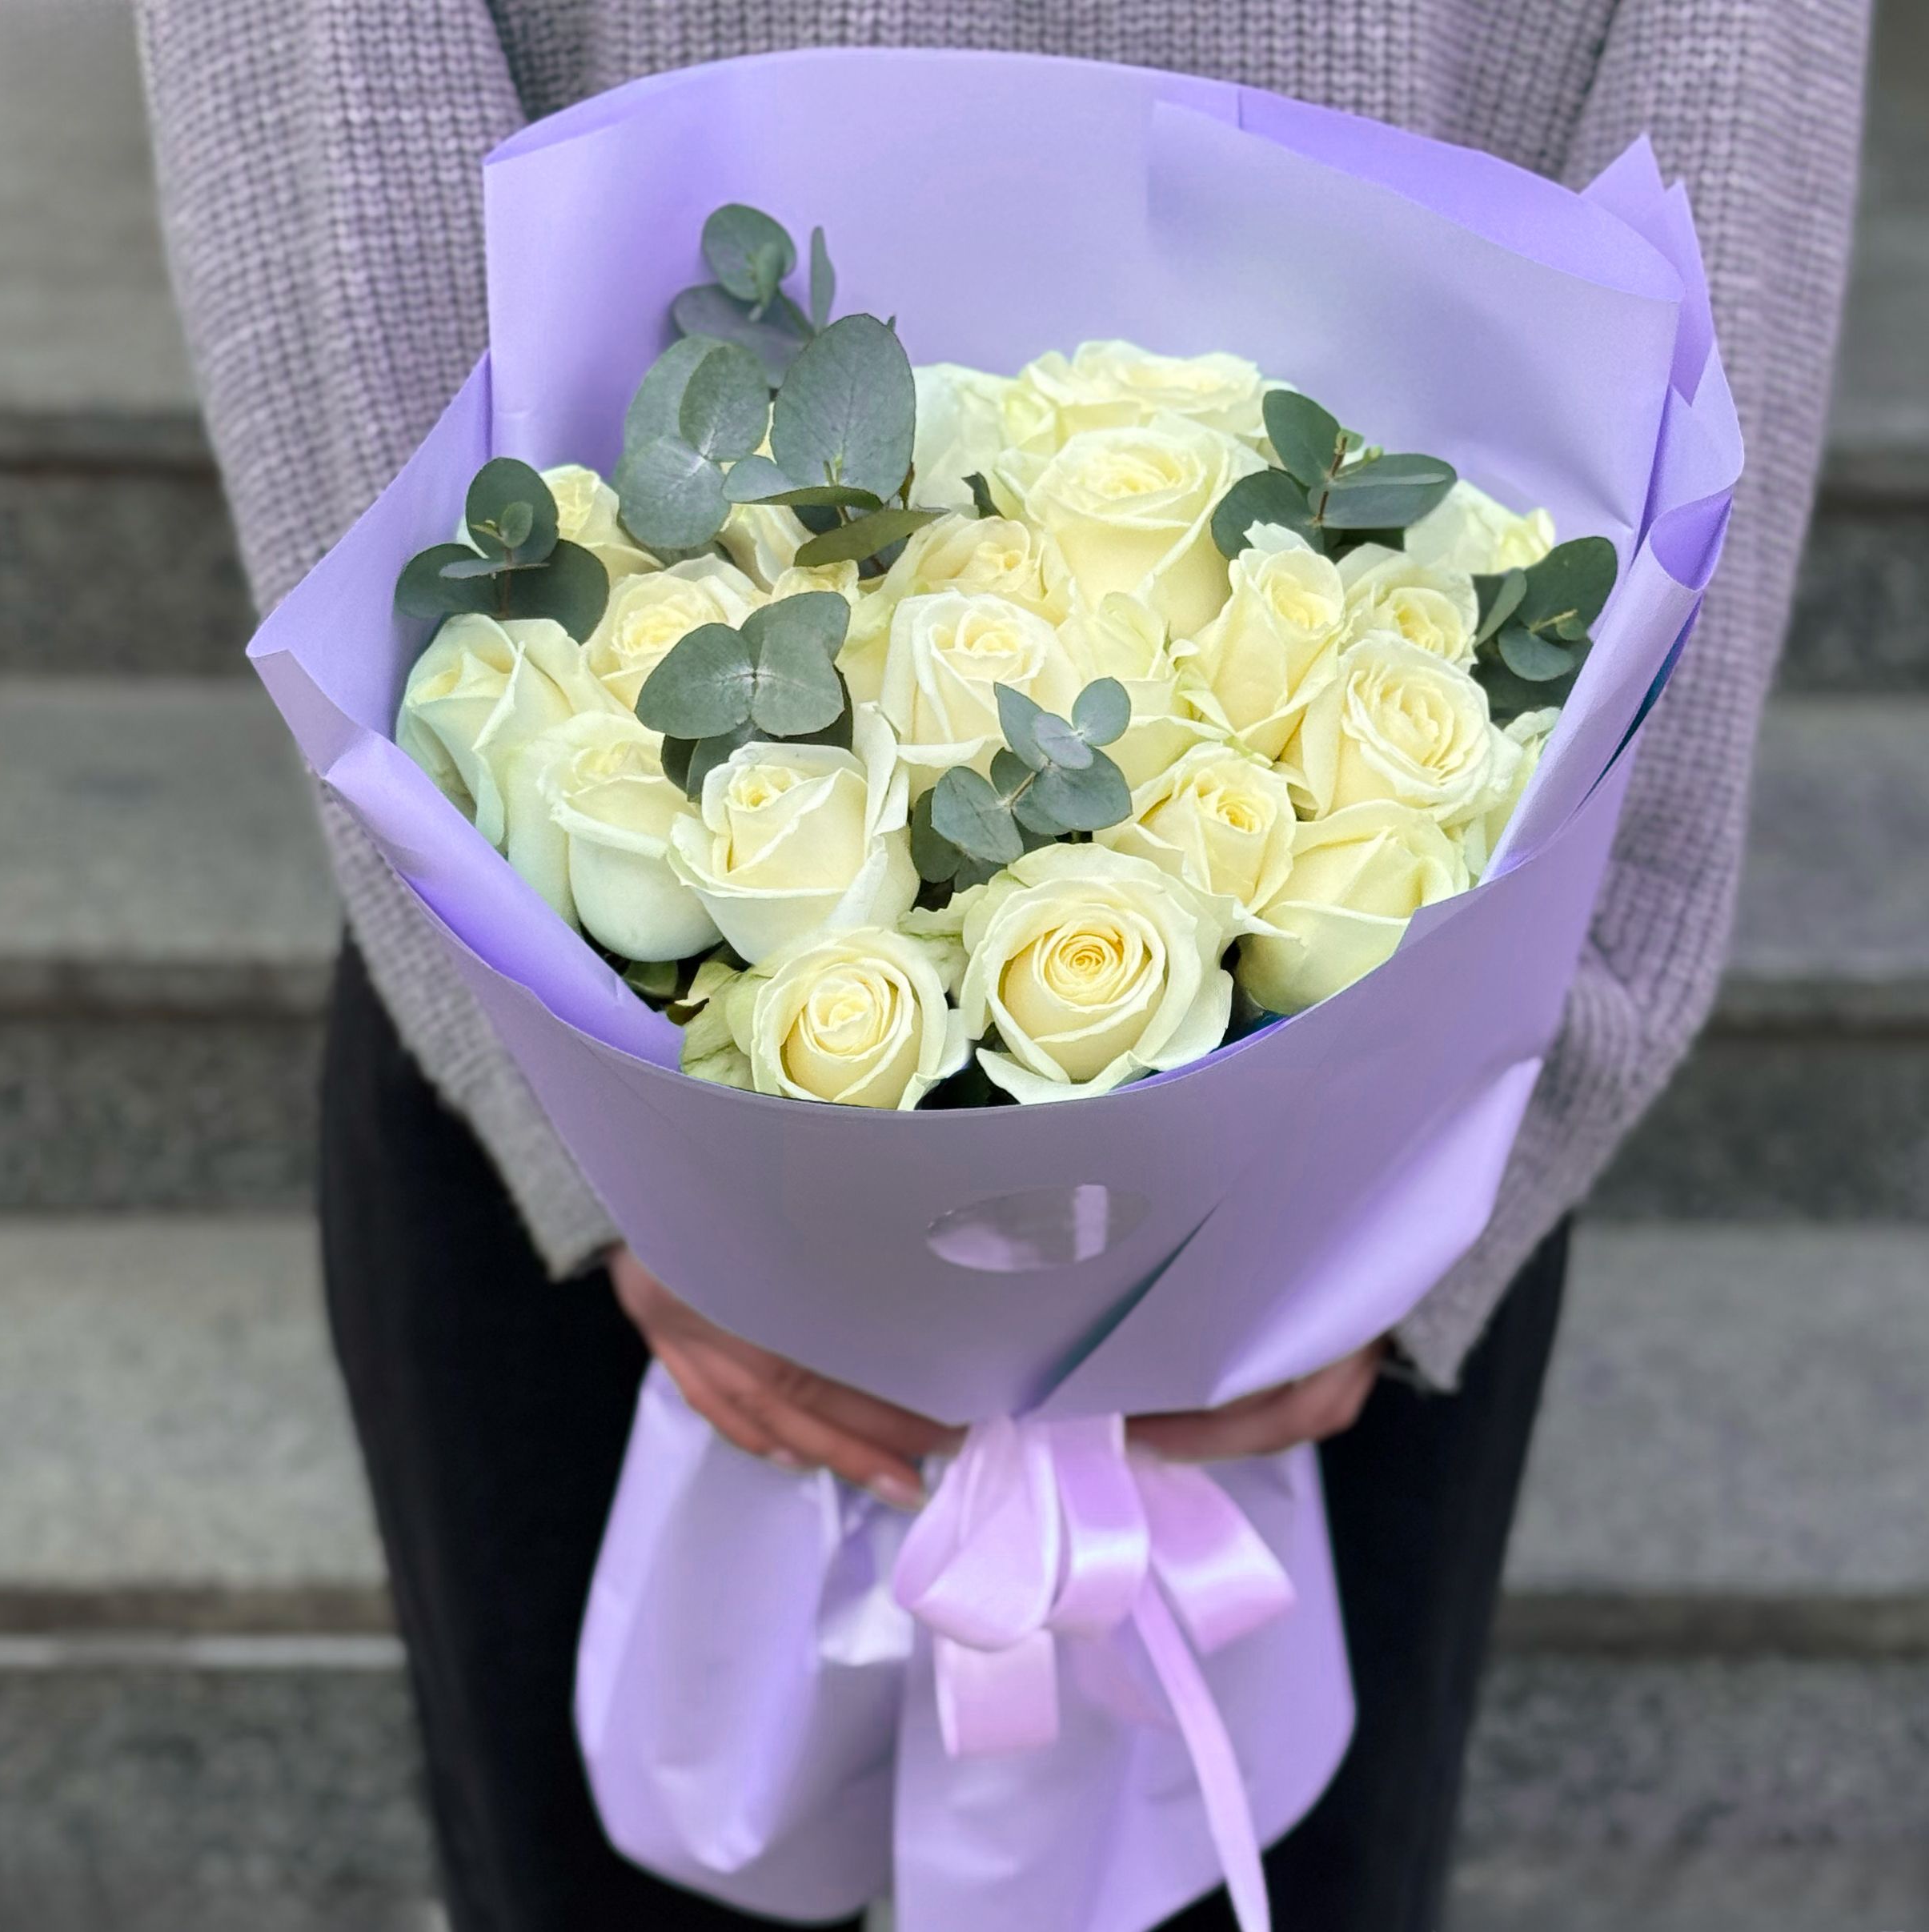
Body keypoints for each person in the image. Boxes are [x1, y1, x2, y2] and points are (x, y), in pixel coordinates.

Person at [136, 3, 1867, 1927]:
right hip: (588, 1087)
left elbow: (1733, 94)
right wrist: (576, 1077)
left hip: (1379, 1119)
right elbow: (322, 83)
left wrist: (1478, 1125)